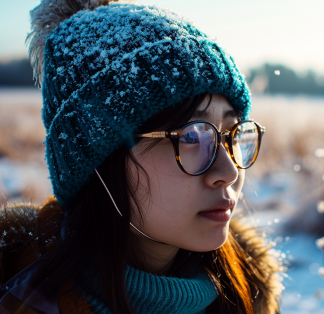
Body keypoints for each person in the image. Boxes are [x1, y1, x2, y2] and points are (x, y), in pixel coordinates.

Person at [0, 0, 282, 313]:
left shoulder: (248, 292)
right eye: (191, 137)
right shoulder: (18, 297)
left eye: (232, 135)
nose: (229, 171)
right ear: (99, 161)